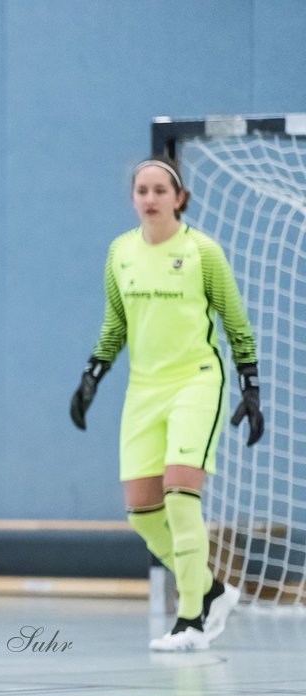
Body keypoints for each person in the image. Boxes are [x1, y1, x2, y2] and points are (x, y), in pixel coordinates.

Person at [70, 157, 261, 652]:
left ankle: (191, 619)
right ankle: (213, 589)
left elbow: (236, 322)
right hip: (144, 389)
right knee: (141, 510)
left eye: (160, 190)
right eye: (142, 190)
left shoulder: (202, 252)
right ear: (133, 198)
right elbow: (116, 325)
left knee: (180, 496)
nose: (150, 198)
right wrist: (92, 377)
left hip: (196, 383)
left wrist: (250, 386)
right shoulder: (120, 253)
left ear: (180, 198)